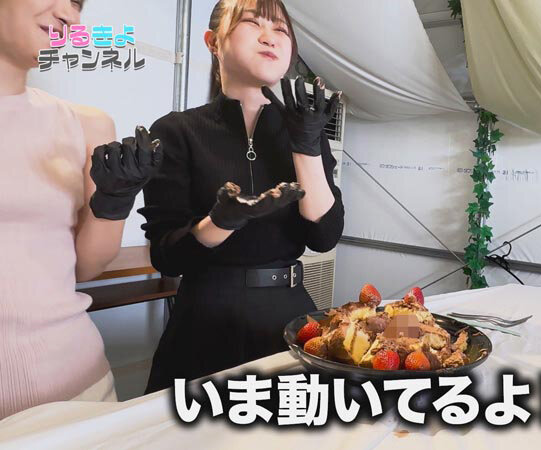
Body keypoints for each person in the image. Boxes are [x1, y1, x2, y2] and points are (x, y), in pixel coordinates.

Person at [139, 0, 344, 393]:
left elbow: (324, 236)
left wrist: (305, 145)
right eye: (253, 23)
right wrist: (221, 221)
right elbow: (167, 257)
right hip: (204, 319)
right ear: (213, 42)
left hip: (288, 317)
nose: (270, 37)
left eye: (281, 29)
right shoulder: (177, 131)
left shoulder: (306, 129)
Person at [0, 0, 162, 419]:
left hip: (81, 388)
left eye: (77, 3)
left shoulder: (87, 124)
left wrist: (115, 201)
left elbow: (85, 269)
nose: (69, 15)